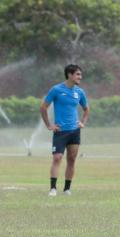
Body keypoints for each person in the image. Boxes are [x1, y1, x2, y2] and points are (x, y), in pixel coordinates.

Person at [40, 64, 89, 197]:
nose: (80, 77)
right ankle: (53, 188)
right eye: (78, 74)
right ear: (69, 74)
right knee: (57, 157)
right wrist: (49, 125)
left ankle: (67, 189)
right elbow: (43, 108)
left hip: (74, 131)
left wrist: (82, 123)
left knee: (72, 159)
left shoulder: (79, 92)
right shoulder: (56, 90)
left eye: (80, 74)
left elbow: (86, 109)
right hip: (60, 131)